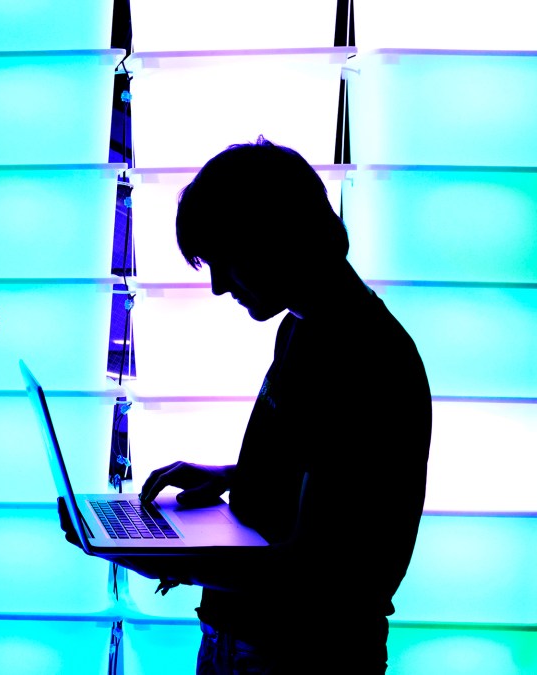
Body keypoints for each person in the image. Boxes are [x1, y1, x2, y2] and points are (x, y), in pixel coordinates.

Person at [60, 138, 431, 673]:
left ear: (274, 239)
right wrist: (237, 474)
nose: (215, 286)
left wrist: (159, 557)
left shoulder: (365, 360)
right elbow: (331, 472)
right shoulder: (304, 329)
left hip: (300, 655)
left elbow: (311, 570)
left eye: (224, 260)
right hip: (246, 641)